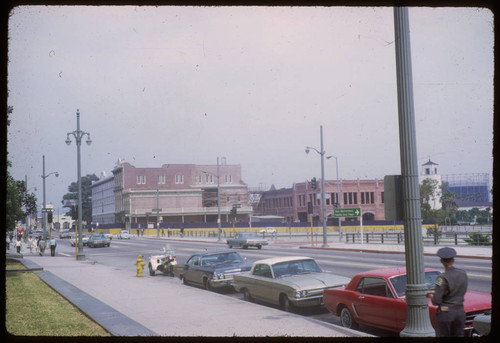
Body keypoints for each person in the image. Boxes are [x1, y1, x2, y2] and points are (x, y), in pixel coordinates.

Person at [427, 247, 468, 337]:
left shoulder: (442, 277)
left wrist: (430, 295)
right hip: (460, 312)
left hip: (446, 314)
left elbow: (436, 301)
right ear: (453, 260)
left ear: (442, 261)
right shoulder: (463, 273)